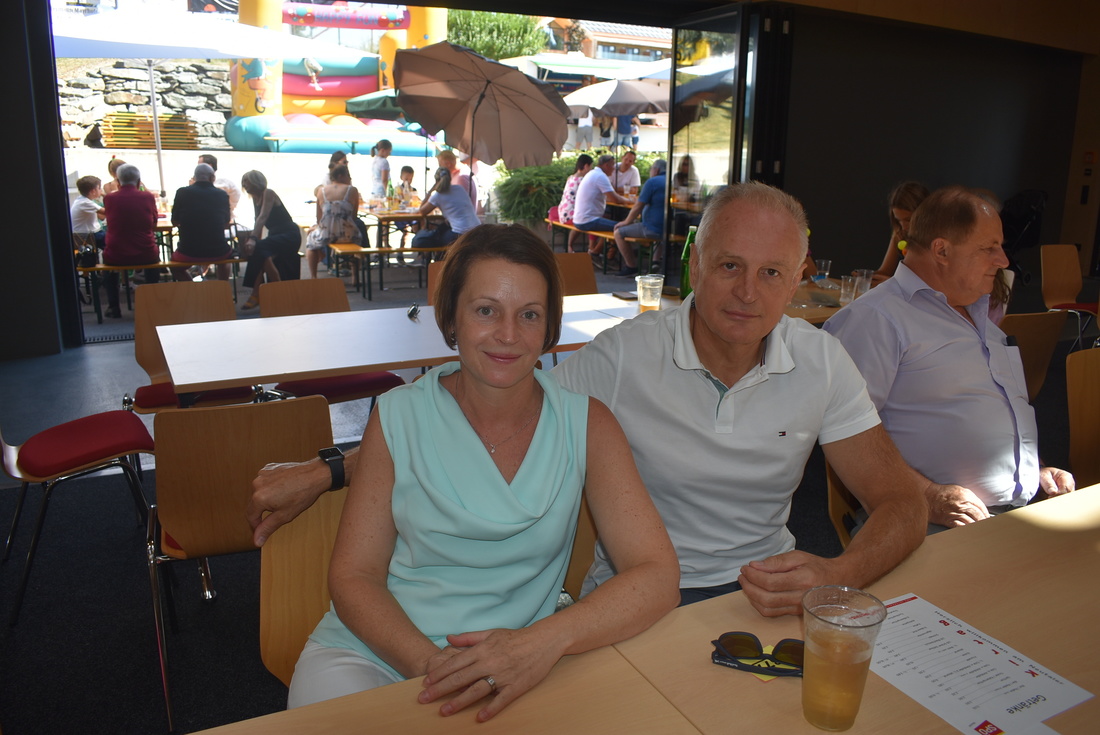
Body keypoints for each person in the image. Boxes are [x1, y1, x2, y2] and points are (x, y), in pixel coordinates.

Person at [248, 183, 929, 618]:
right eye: (729, 266)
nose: (747, 292)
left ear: (798, 279)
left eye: (771, 273)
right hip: (641, 598)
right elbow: (483, 418)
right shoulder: (625, 355)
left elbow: (901, 501)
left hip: (767, 598)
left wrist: (839, 571)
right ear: (695, 264)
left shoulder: (822, 361)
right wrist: (330, 468)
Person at [286, 224, 679, 719]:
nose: (508, 335)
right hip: (376, 652)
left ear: (549, 327)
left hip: (524, 660)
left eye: (529, 314)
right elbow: (354, 575)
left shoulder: (588, 425)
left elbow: (657, 575)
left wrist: (541, 643)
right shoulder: (397, 414)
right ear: (451, 317)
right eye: (486, 310)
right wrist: (436, 668)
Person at [823, 186, 1075, 532]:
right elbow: (843, 434)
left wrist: (1036, 470)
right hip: (925, 516)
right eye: (989, 248)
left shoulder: (980, 318)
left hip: (1015, 509)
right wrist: (928, 496)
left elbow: (994, 412)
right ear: (941, 250)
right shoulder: (876, 319)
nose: (1003, 261)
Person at [102, 163, 160, 318]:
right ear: (139, 181)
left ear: (118, 182)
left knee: (107, 266)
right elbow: (154, 223)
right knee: (154, 258)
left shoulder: (109, 198)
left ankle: (114, 306)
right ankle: (152, 303)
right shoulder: (147, 197)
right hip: (145, 253)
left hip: (116, 254)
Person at [240, 170, 301, 310]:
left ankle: (259, 293)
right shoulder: (255, 199)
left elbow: (263, 217)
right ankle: (273, 291)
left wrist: (253, 240)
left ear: (256, 181)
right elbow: (258, 221)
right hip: (275, 235)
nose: (244, 184)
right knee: (259, 253)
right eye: (243, 181)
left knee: (259, 249)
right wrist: (255, 243)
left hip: (289, 234)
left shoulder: (268, 193)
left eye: (246, 181)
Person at [169, 163, 232, 281]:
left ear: (195, 177)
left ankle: (193, 288)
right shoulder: (222, 194)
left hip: (188, 251)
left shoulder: (182, 192)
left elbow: (174, 222)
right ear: (212, 177)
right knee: (226, 260)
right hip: (218, 251)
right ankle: (222, 287)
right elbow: (226, 224)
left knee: (174, 267)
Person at [612, 158, 666, 277]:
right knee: (659, 230)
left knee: (618, 232)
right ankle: (655, 262)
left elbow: (638, 206)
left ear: (656, 170)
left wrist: (626, 221)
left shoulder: (652, 182)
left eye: (651, 169)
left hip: (651, 228)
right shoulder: (671, 181)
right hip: (668, 229)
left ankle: (631, 266)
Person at [869, 181, 928, 286]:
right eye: (899, 220)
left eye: (908, 220)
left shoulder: (937, 240)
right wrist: (867, 276)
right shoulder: (899, 233)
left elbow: (929, 286)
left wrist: (892, 282)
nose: (903, 226)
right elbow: (885, 272)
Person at [572, 155, 632, 256]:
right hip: (588, 220)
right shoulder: (600, 176)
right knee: (622, 228)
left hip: (580, 219)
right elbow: (615, 199)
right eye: (612, 165)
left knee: (613, 223)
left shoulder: (593, 173)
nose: (614, 168)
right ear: (606, 165)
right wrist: (629, 201)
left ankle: (597, 252)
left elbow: (609, 196)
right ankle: (599, 253)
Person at [410, 167, 480, 254]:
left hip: (459, 234)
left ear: (436, 181)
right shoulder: (460, 189)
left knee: (423, 241)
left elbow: (422, 211)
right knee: (442, 231)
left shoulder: (438, 195)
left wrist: (430, 191)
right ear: (450, 178)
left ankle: (435, 259)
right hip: (477, 230)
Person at [309, 164, 361, 278]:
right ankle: (355, 277)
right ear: (341, 176)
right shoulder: (352, 190)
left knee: (311, 242)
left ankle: (313, 276)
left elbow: (319, 218)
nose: (350, 178)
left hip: (326, 234)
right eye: (348, 176)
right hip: (348, 235)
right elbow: (353, 216)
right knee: (358, 239)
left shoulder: (321, 191)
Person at [556, 154, 593, 253]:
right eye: (591, 167)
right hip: (572, 216)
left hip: (563, 213)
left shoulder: (571, 178)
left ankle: (570, 247)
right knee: (592, 221)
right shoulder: (583, 181)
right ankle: (592, 249)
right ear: (586, 166)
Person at [197, 154, 244, 230]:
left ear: (209, 166)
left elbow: (212, 198)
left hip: (220, 218)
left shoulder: (220, 179)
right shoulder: (206, 181)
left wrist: (194, 186)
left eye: (199, 165)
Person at [71, 175, 106, 251]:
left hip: (89, 233)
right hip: (86, 235)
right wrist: (106, 196)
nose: (101, 190)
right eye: (99, 188)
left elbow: (101, 217)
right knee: (115, 240)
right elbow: (107, 212)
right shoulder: (85, 203)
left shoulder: (82, 200)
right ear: (93, 191)